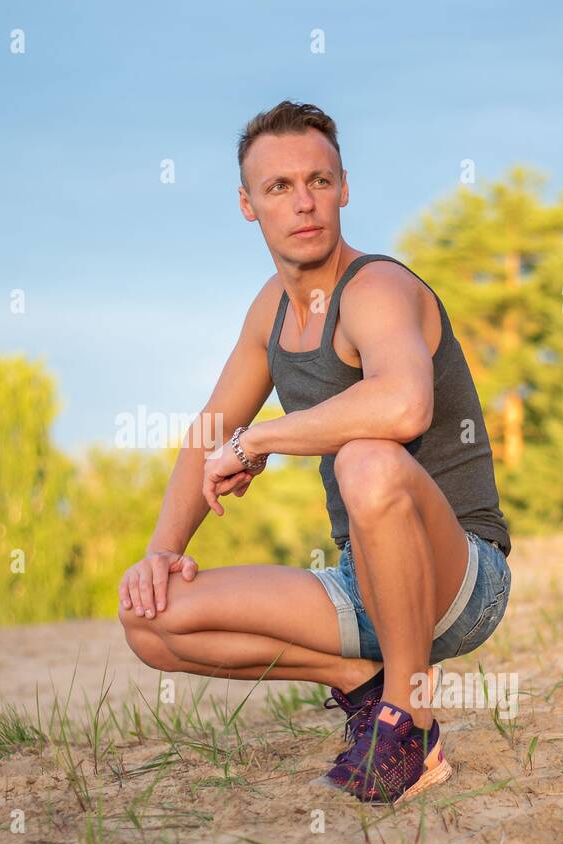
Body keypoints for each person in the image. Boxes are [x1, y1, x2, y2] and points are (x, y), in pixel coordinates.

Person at [117, 100, 512, 805]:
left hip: (461, 579)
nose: (304, 203)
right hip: (368, 582)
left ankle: (408, 720)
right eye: (279, 188)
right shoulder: (268, 310)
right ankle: (359, 685)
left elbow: (403, 406)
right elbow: (208, 431)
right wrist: (159, 549)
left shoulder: (378, 289)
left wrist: (262, 437)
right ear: (248, 205)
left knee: (368, 457)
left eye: (319, 182)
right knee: (150, 618)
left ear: (345, 188)